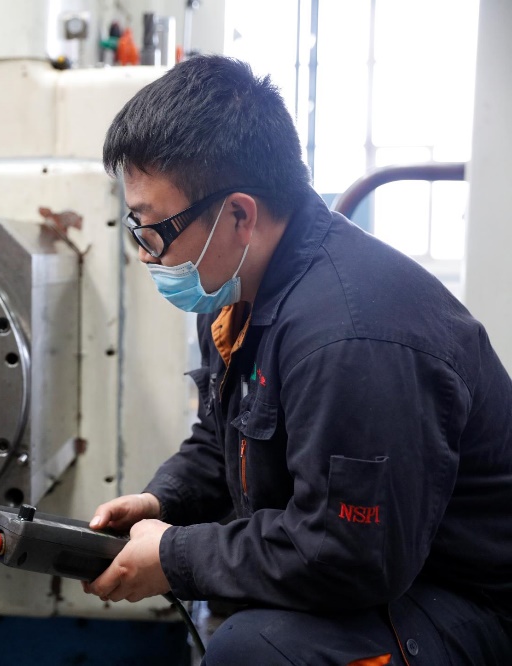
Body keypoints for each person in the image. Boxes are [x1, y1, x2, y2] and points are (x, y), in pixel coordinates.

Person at [83, 54, 512, 665]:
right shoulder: (235, 289)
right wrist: (162, 504)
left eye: (156, 229)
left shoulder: (350, 336)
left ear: (238, 215)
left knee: (255, 650)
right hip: (391, 574)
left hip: (464, 604)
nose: (147, 254)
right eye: (137, 226)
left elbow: (350, 553)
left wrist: (175, 556)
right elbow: (222, 441)